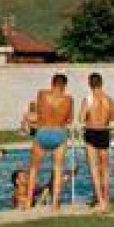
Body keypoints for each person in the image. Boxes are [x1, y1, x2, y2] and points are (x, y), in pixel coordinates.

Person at [24, 74, 75, 211]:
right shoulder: (69, 99)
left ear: (52, 83)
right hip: (59, 132)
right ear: (64, 85)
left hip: (43, 132)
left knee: (34, 168)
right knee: (58, 169)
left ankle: (28, 202)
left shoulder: (42, 94)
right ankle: (54, 205)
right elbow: (69, 120)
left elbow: (39, 112)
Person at [82, 73, 114, 212]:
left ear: (90, 84)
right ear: (101, 83)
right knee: (105, 169)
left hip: (91, 132)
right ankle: (106, 200)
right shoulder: (109, 99)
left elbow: (81, 117)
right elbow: (112, 117)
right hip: (104, 132)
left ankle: (100, 201)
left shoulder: (88, 99)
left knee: (94, 169)